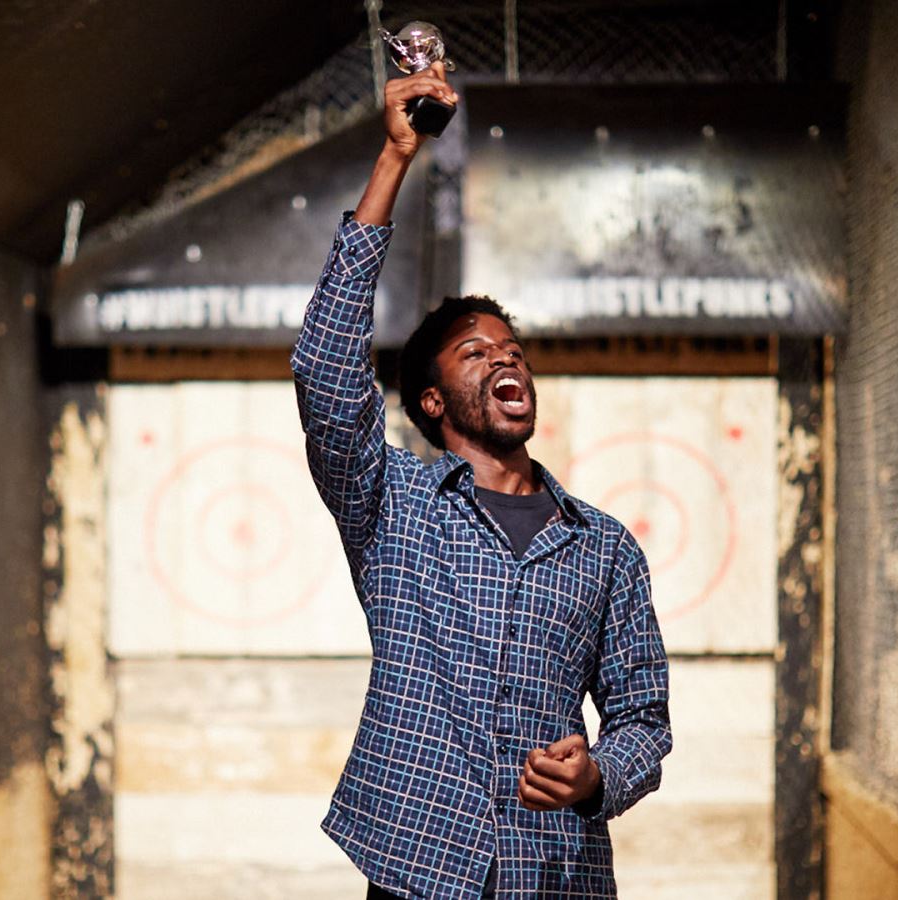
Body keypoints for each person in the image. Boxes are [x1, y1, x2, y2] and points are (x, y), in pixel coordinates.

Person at [289, 60, 671, 900]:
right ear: (432, 401)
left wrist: (600, 773)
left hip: (557, 874)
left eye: (513, 350)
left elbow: (644, 717)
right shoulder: (391, 505)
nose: (503, 356)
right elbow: (323, 367)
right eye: (474, 351)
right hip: (418, 872)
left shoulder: (603, 547)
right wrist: (395, 158)